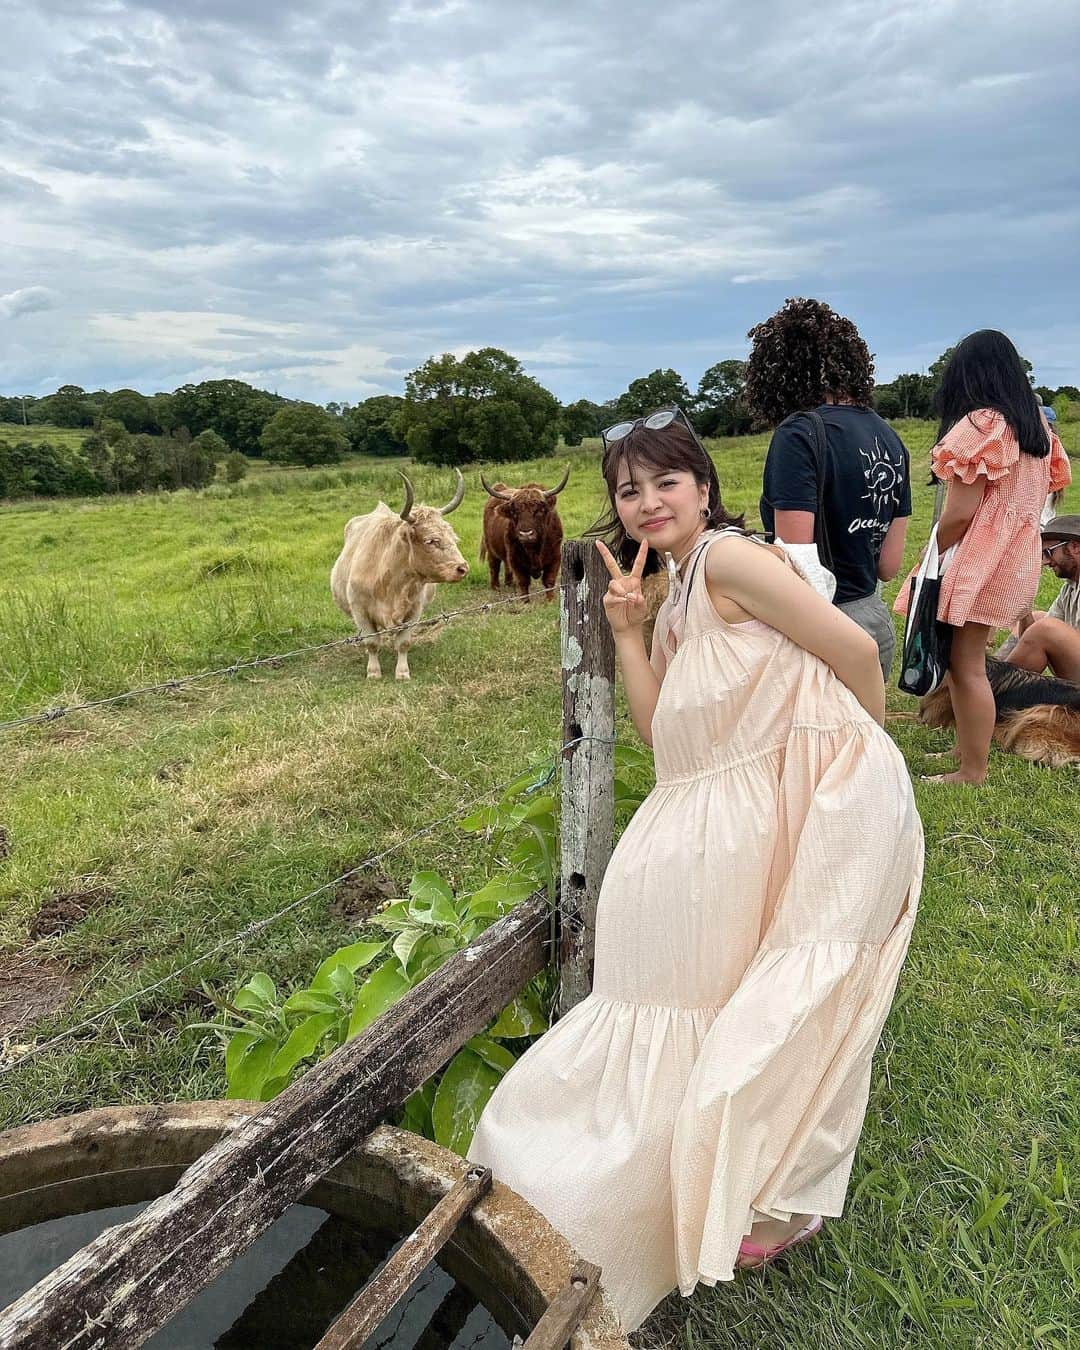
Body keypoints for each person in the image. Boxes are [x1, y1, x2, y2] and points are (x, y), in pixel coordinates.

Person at [469, 408, 924, 1334]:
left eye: (662, 482)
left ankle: (757, 1191)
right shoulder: (675, 592)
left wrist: (854, 756)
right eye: (627, 491)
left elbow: (854, 650)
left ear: (703, 486)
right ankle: (616, 1189)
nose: (644, 504)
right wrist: (631, 634)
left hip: (809, 797)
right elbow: (660, 733)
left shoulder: (728, 561)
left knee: (783, 994)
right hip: (709, 818)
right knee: (682, 1003)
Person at [893, 331, 1072, 785]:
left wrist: (932, 549)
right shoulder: (1037, 429)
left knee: (966, 665)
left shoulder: (985, 424)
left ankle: (972, 769)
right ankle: (964, 750)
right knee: (965, 658)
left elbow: (960, 513)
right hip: (1013, 564)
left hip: (978, 560)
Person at [746, 297, 912, 679]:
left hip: (819, 630)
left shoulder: (798, 435)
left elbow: (798, 566)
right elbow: (888, 567)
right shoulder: (890, 438)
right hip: (873, 623)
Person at [1004, 515, 1080, 682]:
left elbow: (1044, 634)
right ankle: (995, 675)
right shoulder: (1070, 587)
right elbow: (1032, 639)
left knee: (1045, 628)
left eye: (1048, 552)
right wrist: (1025, 611)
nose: (1045, 561)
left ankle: (995, 691)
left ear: (1075, 547)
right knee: (1038, 619)